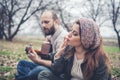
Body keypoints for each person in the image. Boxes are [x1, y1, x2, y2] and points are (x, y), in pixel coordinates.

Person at [37, 18, 112, 80]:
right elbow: (57, 71)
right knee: (44, 74)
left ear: (85, 39)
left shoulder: (100, 58)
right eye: (71, 31)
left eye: (75, 34)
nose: (69, 35)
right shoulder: (69, 50)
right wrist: (59, 53)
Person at [15, 10, 68, 80]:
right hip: (50, 68)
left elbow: (58, 67)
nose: (43, 25)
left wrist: (37, 60)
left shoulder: (63, 38)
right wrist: (35, 51)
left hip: (59, 73)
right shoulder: (51, 34)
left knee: (39, 69)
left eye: (46, 22)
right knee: (22, 64)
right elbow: (46, 55)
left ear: (56, 21)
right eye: (42, 22)